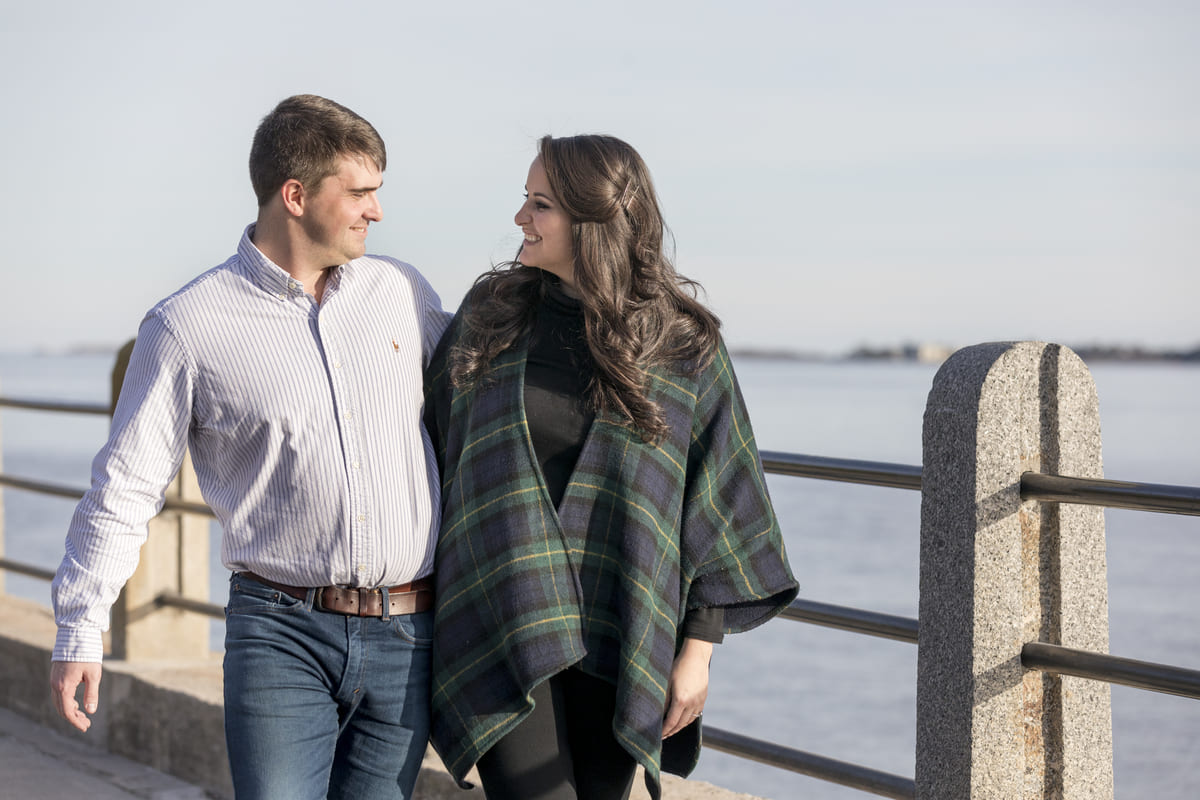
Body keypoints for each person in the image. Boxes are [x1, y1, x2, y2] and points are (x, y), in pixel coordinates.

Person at [49, 94, 448, 800]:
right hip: (280, 635)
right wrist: (80, 627)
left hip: (410, 636)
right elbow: (127, 486)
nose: (375, 212)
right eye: (360, 192)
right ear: (295, 195)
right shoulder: (186, 326)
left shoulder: (400, 292)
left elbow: (486, 394)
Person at [424, 134, 798, 800]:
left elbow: (722, 495)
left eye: (540, 205)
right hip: (505, 620)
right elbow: (431, 445)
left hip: (623, 626)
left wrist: (696, 656)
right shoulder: (491, 318)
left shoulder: (682, 343)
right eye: (525, 200)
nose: (520, 219)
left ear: (595, 223)